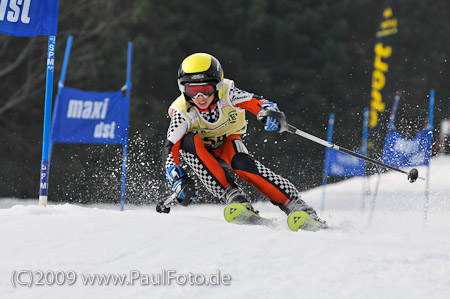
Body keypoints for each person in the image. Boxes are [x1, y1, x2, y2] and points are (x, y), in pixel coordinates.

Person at [162, 52, 325, 224]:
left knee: (243, 165)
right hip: (200, 152)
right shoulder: (182, 111)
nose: (200, 98)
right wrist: (177, 179)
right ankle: (234, 197)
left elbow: (255, 102)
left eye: (206, 90)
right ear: (183, 90)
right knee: (186, 142)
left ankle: (296, 205)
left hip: (227, 142)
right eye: (193, 91)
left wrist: (269, 112)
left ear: (217, 85)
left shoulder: (228, 94)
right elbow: (170, 147)